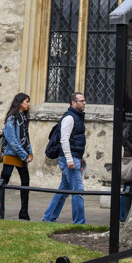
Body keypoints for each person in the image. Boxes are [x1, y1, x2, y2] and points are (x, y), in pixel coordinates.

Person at [0, 93, 33, 220]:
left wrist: (29, 153)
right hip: (12, 155)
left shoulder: (23, 118)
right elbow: (12, 140)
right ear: (20, 102)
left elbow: (26, 138)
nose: (28, 104)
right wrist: (24, 155)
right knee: (3, 181)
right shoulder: (12, 119)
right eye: (27, 101)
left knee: (25, 182)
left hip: (21, 155)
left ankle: (24, 212)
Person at [43, 92, 88, 225]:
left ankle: (48, 218)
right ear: (73, 103)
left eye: (85, 100)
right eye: (81, 101)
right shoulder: (69, 118)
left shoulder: (78, 117)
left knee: (63, 190)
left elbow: (76, 140)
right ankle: (79, 223)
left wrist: (81, 157)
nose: (84, 103)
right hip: (69, 159)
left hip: (74, 157)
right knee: (78, 191)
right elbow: (64, 140)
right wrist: (70, 159)